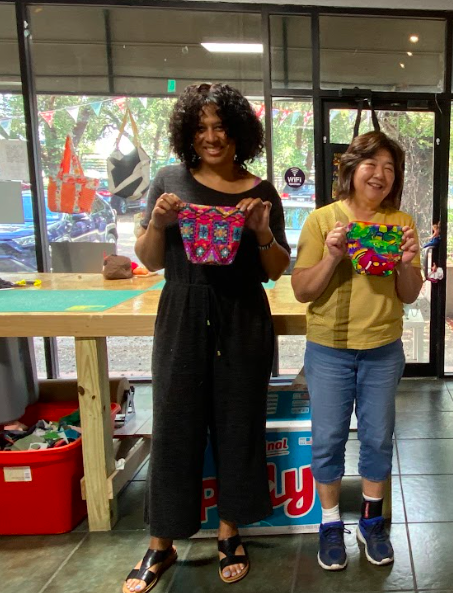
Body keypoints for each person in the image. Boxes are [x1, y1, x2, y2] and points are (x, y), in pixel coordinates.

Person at [123, 83, 290, 593]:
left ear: (239, 132)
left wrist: (261, 232)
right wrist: (158, 221)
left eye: (220, 126)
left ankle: (229, 532)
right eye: (201, 127)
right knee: (174, 424)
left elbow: (276, 269)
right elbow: (150, 260)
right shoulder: (170, 182)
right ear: (188, 134)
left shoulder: (261, 190)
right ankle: (161, 542)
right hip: (184, 310)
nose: (212, 136)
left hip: (242, 314)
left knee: (239, 423)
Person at [291, 131, 422, 571]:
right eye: (372, 164)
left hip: (383, 348)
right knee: (327, 438)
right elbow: (302, 290)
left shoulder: (401, 223)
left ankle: (371, 522)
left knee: (377, 438)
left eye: (389, 167)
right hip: (329, 349)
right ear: (351, 168)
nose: (380, 174)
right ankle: (329, 524)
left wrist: (407, 263)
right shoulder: (322, 221)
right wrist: (331, 257)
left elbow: (408, 294)